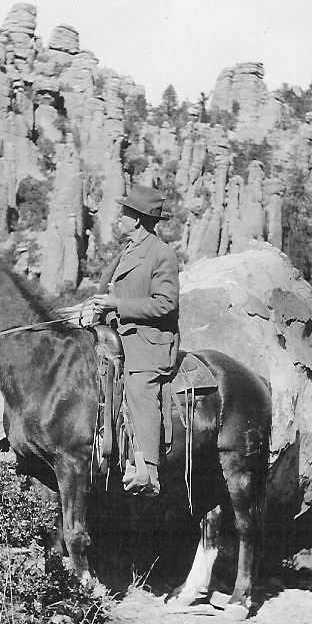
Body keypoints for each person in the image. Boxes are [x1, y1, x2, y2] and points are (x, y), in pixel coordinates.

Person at [93, 184, 180, 497]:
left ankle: (149, 471)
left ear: (139, 220)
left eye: (126, 212)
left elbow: (166, 303)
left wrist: (118, 306)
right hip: (123, 333)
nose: (120, 217)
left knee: (139, 384)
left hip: (151, 341)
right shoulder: (126, 252)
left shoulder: (161, 255)